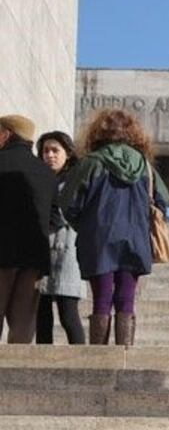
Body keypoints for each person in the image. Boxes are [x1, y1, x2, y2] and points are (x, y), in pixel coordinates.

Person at [59, 109, 169, 346]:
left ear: (98, 132)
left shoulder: (91, 163)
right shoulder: (143, 165)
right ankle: (124, 353)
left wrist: (84, 224)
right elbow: (163, 199)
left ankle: (99, 356)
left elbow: (68, 202)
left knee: (101, 297)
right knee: (126, 298)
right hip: (134, 238)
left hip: (98, 238)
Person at [0, 114, 58, 343]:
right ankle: (15, 370)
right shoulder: (46, 172)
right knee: (23, 319)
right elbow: (55, 216)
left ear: (6, 134)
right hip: (34, 255)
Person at [35, 131, 85, 345]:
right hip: (42, 252)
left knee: (68, 312)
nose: (50, 155)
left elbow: (70, 213)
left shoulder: (77, 179)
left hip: (68, 250)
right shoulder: (38, 179)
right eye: (45, 151)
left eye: (55, 150)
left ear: (68, 153)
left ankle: (82, 361)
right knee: (41, 314)